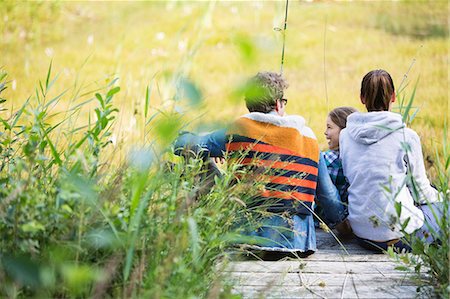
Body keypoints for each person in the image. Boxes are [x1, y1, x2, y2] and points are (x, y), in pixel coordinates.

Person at [174, 71, 339, 256]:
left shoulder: (239, 129)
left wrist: (215, 151)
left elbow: (182, 145)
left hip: (246, 241)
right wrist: (341, 220)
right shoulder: (308, 137)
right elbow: (328, 197)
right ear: (278, 104)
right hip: (298, 244)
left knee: (199, 155)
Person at [339, 69, 442, 252]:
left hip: (362, 233)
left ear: (362, 98)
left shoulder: (345, 135)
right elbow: (421, 193)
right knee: (444, 209)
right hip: (398, 236)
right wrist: (443, 196)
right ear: (393, 97)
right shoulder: (406, 136)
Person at [315, 107, 358, 235]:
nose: (325, 132)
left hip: (324, 224)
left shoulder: (325, 159)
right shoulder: (358, 159)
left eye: (329, 127)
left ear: (344, 130)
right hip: (355, 223)